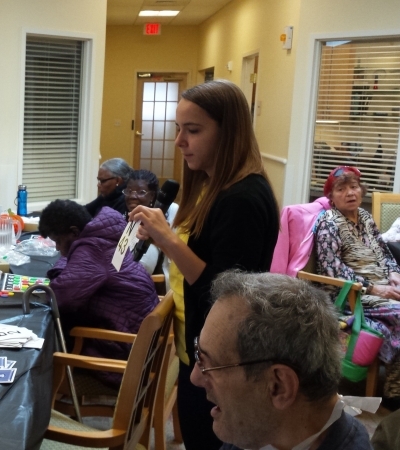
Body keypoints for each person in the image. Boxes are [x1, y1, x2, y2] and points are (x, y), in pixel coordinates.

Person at [130, 79, 279, 450]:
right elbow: (201, 259)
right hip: (198, 347)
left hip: (222, 358)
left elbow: (225, 290)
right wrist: (163, 240)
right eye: (178, 129)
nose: (180, 141)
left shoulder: (242, 199)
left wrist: (169, 240)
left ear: (229, 133)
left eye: (193, 130)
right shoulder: (214, 187)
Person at [193, 271, 371, 450]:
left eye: (209, 365)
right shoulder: (255, 426)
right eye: (198, 353)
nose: (194, 377)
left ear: (278, 387)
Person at [39, 200, 159, 387]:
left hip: (125, 353)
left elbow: (60, 298)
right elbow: (76, 266)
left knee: (47, 331)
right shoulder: (106, 234)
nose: (57, 248)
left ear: (74, 233)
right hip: (141, 340)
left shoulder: (92, 250)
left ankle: (43, 391)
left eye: (58, 241)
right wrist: (67, 266)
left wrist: (55, 278)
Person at [314, 165, 400, 406]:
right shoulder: (329, 223)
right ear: (331, 197)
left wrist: (394, 273)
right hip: (351, 295)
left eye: (354, 187)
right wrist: (375, 288)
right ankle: (394, 393)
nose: (350, 193)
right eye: (341, 189)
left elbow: (384, 251)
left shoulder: (365, 217)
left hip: (381, 288)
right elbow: (332, 270)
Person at [124, 169, 179, 278]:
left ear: (152, 196)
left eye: (141, 192)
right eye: (129, 191)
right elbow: (118, 259)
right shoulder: (131, 217)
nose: (132, 196)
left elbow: (144, 267)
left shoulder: (170, 212)